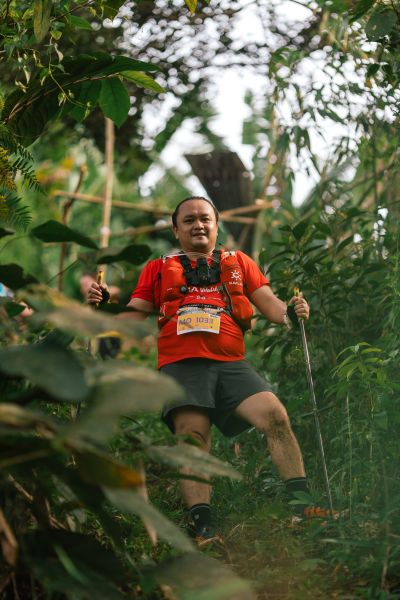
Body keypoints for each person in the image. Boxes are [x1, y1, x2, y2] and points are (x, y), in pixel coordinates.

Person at [87, 196, 328, 544]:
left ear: (216, 225)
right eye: (188, 220)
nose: (198, 225)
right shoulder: (157, 268)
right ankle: (203, 527)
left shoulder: (239, 262)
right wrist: (103, 309)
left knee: (275, 416)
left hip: (231, 364)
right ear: (176, 229)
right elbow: (133, 314)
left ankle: (302, 508)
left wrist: (290, 312)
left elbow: (269, 303)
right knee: (193, 437)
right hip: (181, 365)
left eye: (205, 219)